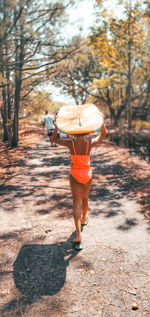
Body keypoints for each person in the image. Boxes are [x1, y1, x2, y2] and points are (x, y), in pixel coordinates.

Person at [51, 120, 107, 250]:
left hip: (75, 175)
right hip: (87, 174)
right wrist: (101, 120)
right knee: (85, 198)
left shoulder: (71, 144)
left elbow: (54, 139)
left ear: (74, 132)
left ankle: (78, 235)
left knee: (76, 202)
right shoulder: (90, 143)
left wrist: (55, 126)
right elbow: (104, 133)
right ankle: (83, 220)